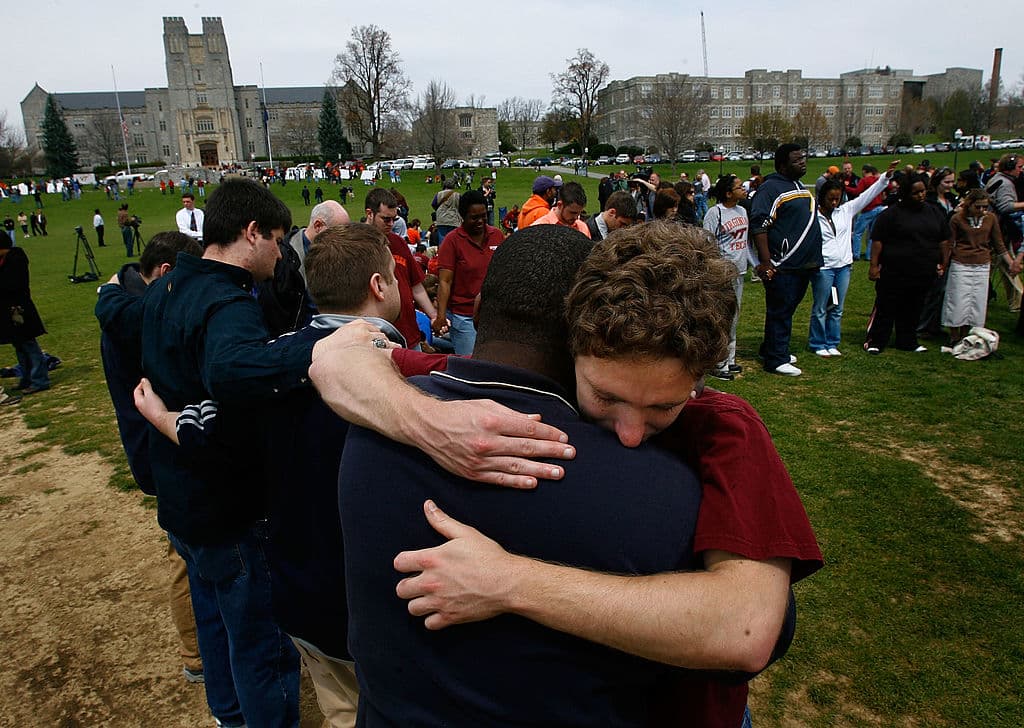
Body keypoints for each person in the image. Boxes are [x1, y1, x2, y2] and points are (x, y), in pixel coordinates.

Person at [384, 223, 821, 728]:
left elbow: (745, 630)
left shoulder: (728, 431)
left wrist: (508, 581)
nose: (631, 433)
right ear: (568, 349)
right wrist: (426, 420)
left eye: (664, 407)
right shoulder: (550, 377)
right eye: (606, 397)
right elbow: (346, 357)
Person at [340, 224, 714, 726]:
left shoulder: (366, 428)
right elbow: (758, 634)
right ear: (589, 329)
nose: (630, 432)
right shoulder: (659, 489)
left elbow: (339, 356)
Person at [94, 231, 205, 684]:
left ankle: (198, 648)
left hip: (158, 444)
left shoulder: (124, 300)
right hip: (158, 445)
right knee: (186, 555)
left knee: (187, 550)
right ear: (165, 274)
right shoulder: (136, 317)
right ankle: (195, 652)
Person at [810, 160, 900, 358]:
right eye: (831, 199)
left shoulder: (847, 210)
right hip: (824, 268)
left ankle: (832, 341)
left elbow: (867, 196)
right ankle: (817, 342)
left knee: (837, 307)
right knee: (820, 307)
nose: (834, 203)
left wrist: (885, 177)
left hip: (844, 267)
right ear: (822, 197)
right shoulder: (813, 216)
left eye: (838, 198)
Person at [750, 144, 822, 376]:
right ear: (782, 165)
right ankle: (776, 359)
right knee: (780, 310)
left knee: (787, 309)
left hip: (804, 263)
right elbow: (759, 225)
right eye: (796, 160)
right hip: (784, 264)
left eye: (804, 158)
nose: (803, 162)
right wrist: (766, 262)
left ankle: (773, 348)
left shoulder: (798, 185)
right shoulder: (770, 188)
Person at [864, 173, 950, 354]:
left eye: (923, 191)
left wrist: (943, 261)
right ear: (905, 193)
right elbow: (877, 240)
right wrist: (873, 266)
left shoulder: (934, 212)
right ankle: (876, 341)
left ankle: (908, 340)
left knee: (914, 307)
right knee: (887, 307)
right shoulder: (891, 214)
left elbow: (943, 239)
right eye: (915, 193)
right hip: (893, 270)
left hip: (923, 270)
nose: (921, 195)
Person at [942, 189, 1021, 344]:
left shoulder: (991, 219)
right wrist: (943, 264)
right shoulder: (957, 219)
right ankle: (954, 335)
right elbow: (949, 244)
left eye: (985, 207)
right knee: (958, 299)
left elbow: (999, 244)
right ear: (969, 205)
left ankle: (967, 333)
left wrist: (1012, 263)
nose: (981, 210)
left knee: (976, 301)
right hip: (961, 264)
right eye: (977, 207)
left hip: (982, 265)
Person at [432, 189, 503, 355]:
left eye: (483, 216)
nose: (480, 221)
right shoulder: (452, 241)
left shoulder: (497, 236)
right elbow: (445, 281)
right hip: (464, 317)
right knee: (472, 363)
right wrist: (441, 316)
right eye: (474, 217)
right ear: (463, 216)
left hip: (493, 314)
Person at [365, 188, 437, 350]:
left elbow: (416, 286)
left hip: (409, 333)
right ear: (370, 214)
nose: (391, 224)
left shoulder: (398, 243)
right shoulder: (357, 245)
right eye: (385, 219)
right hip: (379, 337)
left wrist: (433, 316)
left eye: (394, 219)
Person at [704, 174, 749, 379]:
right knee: (723, 318)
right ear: (728, 193)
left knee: (734, 318)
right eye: (740, 186)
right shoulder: (715, 213)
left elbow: (745, 243)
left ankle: (730, 360)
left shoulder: (742, 211)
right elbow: (707, 242)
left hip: (739, 272)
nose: (744, 188)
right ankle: (718, 363)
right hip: (723, 273)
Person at [0, 234, 50, 394]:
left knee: (29, 344)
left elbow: (13, 284)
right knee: (19, 345)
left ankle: (39, 380)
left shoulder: (15, 259)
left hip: (19, 309)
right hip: (8, 311)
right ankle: (26, 377)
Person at [848, 164, 888, 261]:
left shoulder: (864, 180)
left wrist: (845, 188)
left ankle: (855, 254)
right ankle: (869, 255)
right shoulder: (877, 180)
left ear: (864, 171)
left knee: (858, 232)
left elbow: (857, 192)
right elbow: (888, 187)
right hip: (878, 208)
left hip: (868, 209)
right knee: (872, 234)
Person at [431, 178, 462, 245]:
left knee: (442, 240)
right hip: (454, 219)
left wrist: (438, 210)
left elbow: (433, 204)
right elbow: (461, 207)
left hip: (442, 219)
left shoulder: (439, 194)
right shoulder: (457, 195)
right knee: (454, 240)